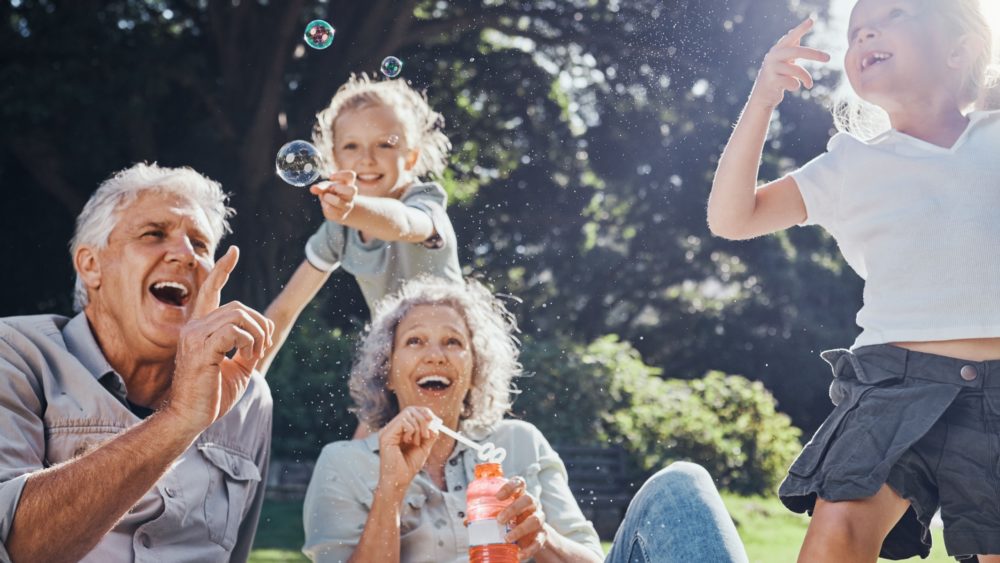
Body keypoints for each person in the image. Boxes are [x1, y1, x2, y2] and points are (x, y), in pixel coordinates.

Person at [708, 1, 1000, 560]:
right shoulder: (849, 165)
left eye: (896, 15)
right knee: (837, 531)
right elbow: (731, 217)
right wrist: (761, 100)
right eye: (857, 27)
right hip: (893, 381)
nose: (867, 29)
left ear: (960, 49)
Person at [301, 277, 749, 563]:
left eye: (453, 342)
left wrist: (544, 539)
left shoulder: (520, 442)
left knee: (681, 485)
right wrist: (391, 492)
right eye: (415, 341)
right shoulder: (344, 463)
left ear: (475, 370)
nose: (435, 353)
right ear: (388, 371)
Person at [0, 163, 275, 562]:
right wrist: (180, 420)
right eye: (154, 234)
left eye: (200, 245)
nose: (185, 256)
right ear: (90, 266)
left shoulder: (247, 397)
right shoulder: (15, 353)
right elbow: (16, 546)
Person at [263, 73, 462, 374]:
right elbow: (284, 310)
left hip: (452, 354)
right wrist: (244, 379)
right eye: (352, 146)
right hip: (398, 361)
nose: (366, 159)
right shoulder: (339, 229)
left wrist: (353, 208)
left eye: (384, 145)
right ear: (333, 159)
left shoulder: (424, 201)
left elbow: (404, 224)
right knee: (372, 419)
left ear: (410, 158)